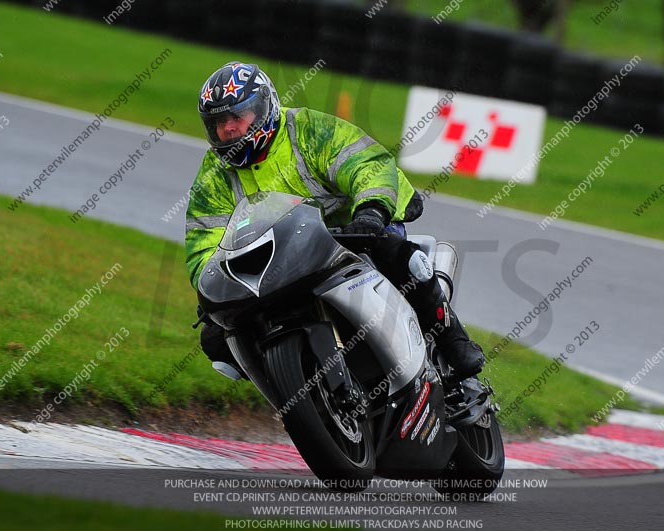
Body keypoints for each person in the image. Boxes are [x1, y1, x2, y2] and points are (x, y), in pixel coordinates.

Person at [185, 61, 485, 382]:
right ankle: (299, 386)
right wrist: (215, 285)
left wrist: (370, 211)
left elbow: (364, 164)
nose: (229, 129)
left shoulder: (308, 130)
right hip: (284, 256)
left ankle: (454, 342)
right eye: (218, 122)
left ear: (264, 110)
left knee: (401, 259)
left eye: (237, 117)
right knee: (218, 338)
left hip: (355, 229)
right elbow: (203, 239)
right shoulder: (213, 174)